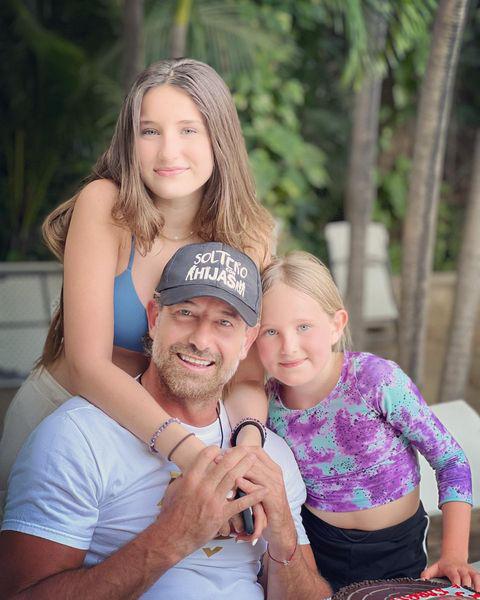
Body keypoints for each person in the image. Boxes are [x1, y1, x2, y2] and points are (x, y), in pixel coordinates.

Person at [0, 59, 274, 515]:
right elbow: (87, 363)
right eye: (150, 131)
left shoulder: (247, 237)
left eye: (188, 130)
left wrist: (245, 451)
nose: (168, 152)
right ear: (130, 140)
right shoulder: (105, 205)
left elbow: (245, 374)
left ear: (219, 138)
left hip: (167, 435)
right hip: (65, 412)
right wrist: (189, 453)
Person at [0, 242, 331, 600]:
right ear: (155, 318)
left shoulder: (269, 454)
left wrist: (283, 534)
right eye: (186, 313)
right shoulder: (76, 437)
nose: (201, 340)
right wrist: (173, 535)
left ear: (247, 341)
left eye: (224, 322)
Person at [255, 250, 479, 593]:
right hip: (317, 549)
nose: (289, 346)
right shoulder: (266, 404)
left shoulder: (375, 380)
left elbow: (450, 460)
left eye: (303, 327)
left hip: (398, 549)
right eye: (270, 331)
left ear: (336, 325)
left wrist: (454, 555)